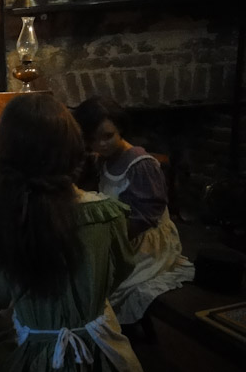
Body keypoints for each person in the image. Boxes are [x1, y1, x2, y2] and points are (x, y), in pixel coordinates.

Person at [0, 94, 155, 372]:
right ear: (75, 149)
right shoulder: (110, 215)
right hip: (101, 353)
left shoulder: (1, 226)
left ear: (5, 156)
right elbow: (119, 273)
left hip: (32, 361)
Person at [72, 96, 194, 325]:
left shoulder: (141, 165)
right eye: (93, 140)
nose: (101, 145)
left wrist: (111, 238)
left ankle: (103, 330)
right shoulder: (103, 160)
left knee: (102, 281)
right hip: (120, 233)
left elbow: (147, 215)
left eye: (108, 136)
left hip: (144, 241)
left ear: (120, 128)